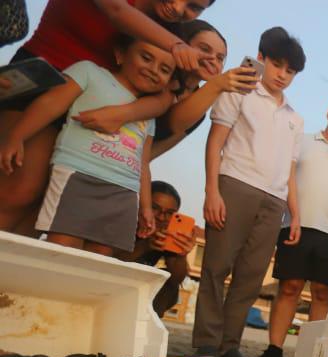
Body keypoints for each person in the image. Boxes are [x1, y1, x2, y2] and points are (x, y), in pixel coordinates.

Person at [0, 0, 212, 235]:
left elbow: (164, 96)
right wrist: (177, 46)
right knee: (20, 189)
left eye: (194, 6)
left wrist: (122, 114)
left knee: (46, 205)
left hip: (93, 112)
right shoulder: (171, 39)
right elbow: (117, 11)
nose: (179, 8)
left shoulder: (169, 29)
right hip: (41, 81)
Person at [190, 26, 305, 357]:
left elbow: (289, 170)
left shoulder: (295, 119)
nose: (283, 75)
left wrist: (294, 215)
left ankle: (230, 347)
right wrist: (212, 190)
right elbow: (215, 143)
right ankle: (205, 345)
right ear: (262, 58)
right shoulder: (239, 90)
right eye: (277, 65)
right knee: (216, 266)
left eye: (291, 71)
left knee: (251, 276)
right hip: (235, 184)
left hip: (274, 201)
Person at [0, 34, 176, 255]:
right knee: (63, 247)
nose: (153, 69)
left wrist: (147, 206)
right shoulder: (90, 72)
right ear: (120, 54)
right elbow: (50, 103)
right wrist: (17, 136)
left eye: (165, 69)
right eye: (146, 57)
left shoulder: (149, 112)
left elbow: (143, 162)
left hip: (124, 191)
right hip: (77, 175)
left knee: (100, 257)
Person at [256, 93, 328, 357]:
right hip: (296, 226)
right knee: (289, 288)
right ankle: (274, 350)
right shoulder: (301, 142)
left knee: (322, 295)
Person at [150, 20, 258, 159]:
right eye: (205, 49)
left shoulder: (199, 114)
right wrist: (217, 84)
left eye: (220, 58)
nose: (213, 59)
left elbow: (153, 152)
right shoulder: (156, 77)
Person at [126, 180, 194, 316]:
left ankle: (147, 321)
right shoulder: (127, 220)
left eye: (169, 213)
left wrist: (181, 254)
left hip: (140, 289)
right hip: (113, 283)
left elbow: (177, 279)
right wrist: (145, 246)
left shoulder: (166, 234)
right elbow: (110, 261)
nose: (162, 217)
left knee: (167, 280)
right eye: (155, 208)